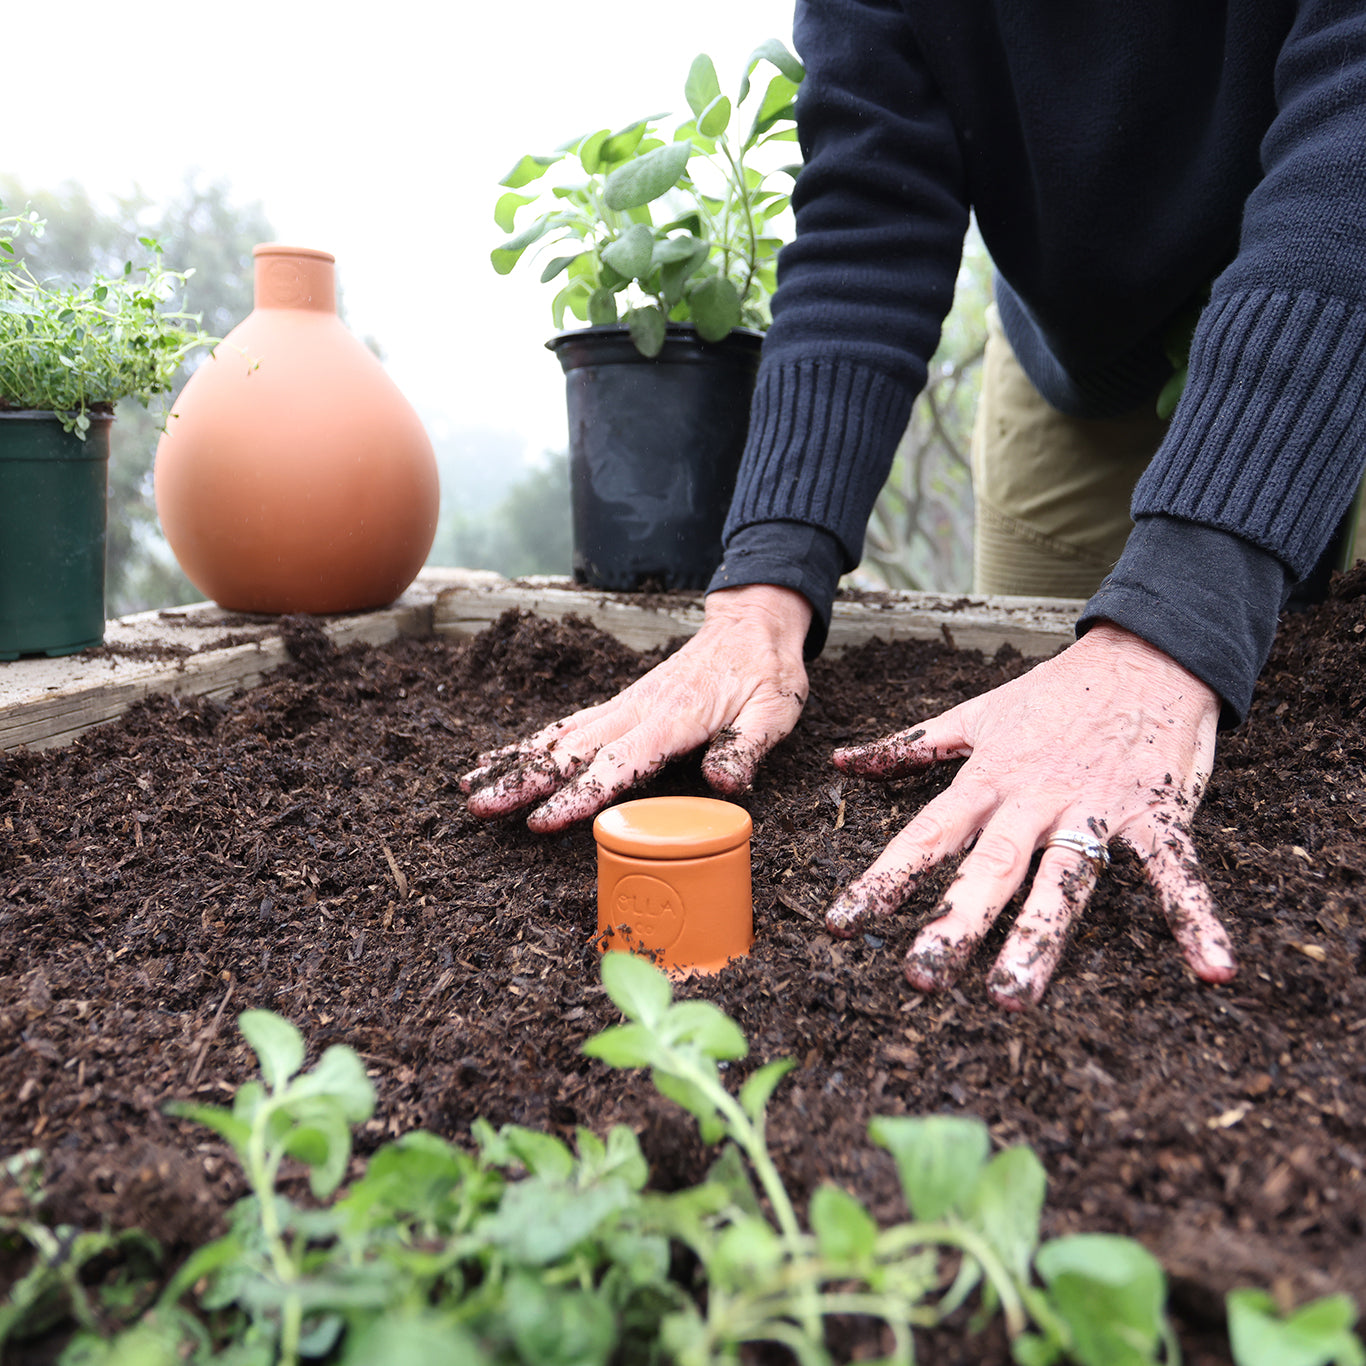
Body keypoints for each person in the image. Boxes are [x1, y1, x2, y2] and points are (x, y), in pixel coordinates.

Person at [463, 0, 1366, 1009]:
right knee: (1051, 694)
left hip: (1333, 322)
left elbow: (1350, 157)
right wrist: (765, 583)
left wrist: (1176, 626)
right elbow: (868, 216)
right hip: (1080, 359)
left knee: (1269, 669)